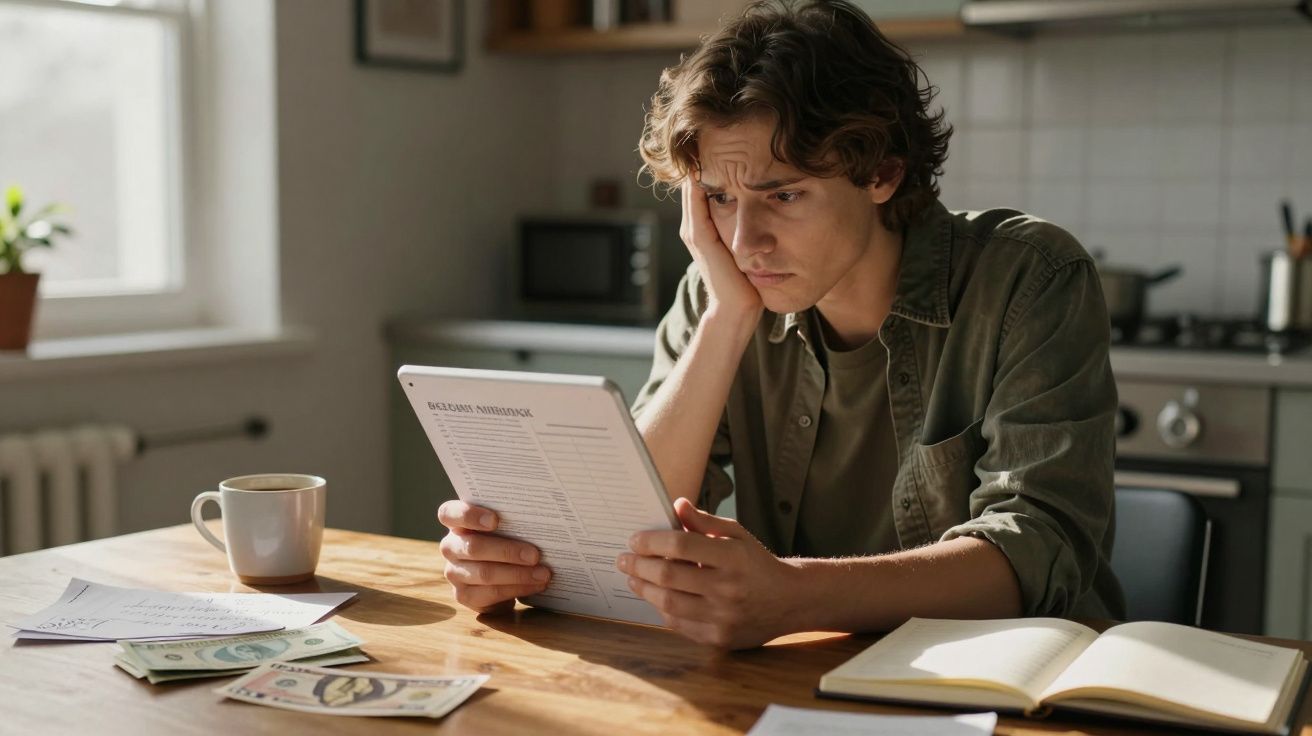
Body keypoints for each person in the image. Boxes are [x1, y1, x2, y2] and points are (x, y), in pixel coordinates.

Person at [436, 0, 1124, 649]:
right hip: (806, 674)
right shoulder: (725, 289)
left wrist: (794, 595)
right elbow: (634, 527)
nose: (742, 242)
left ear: (882, 172)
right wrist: (727, 318)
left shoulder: (1029, 276)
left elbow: (1039, 546)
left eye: (784, 194)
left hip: (1010, 684)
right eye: (718, 198)